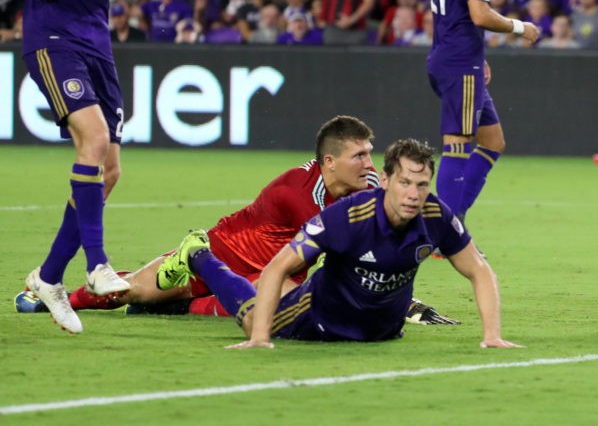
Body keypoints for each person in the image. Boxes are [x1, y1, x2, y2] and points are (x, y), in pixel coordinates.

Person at [17, 116, 456, 326]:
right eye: (358, 155)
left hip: (264, 272)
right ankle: (47, 298)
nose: (367, 162)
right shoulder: (297, 193)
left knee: (281, 298)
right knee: (127, 292)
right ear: (329, 162)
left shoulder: (361, 190)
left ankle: (182, 306)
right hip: (217, 253)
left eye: (368, 153)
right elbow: (348, 261)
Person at [0, 0, 171, 334]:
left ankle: (48, 277)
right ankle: (96, 266)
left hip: (99, 44)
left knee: (110, 170)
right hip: (53, 39)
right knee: (93, 139)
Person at [168, 139, 520, 348]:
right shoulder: (347, 217)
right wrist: (260, 338)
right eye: (405, 183)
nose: (414, 194)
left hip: (380, 331)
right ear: (384, 180)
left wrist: (492, 336)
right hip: (317, 317)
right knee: (251, 315)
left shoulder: (436, 216)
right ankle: (200, 257)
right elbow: (278, 266)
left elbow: (478, 269)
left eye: (422, 184)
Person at [426, 0, 540, 223]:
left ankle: (455, 217)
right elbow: (479, 14)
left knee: (493, 141)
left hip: (457, 56)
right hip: (459, 62)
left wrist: (479, 52)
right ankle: (444, 234)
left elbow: (454, 13)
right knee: (457, 144)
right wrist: (520, 27)